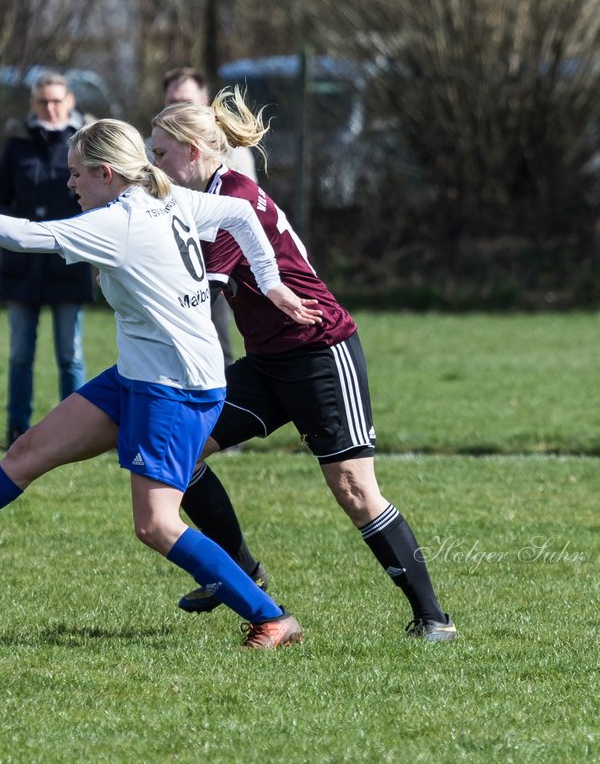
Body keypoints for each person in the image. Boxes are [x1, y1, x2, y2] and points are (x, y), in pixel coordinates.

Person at [0, 118, 323, 649]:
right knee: (24, 455)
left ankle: (271, 617)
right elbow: (243, 214)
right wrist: (270, 284)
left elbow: (25, 235)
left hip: (176, 386)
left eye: (76, 175)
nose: (69, 185)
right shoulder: (170, 198)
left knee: (156, 525)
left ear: (106, 173)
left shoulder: (122, 221)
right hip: (140, 373)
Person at [149, 88, 457, 641]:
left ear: (194, 152)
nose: (155, 166)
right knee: (183, 448)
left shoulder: (234, 197)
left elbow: (201, 288)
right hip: (268, 361)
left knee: (353, 487)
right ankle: (241, 573)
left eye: (162, 154)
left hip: (319, 350)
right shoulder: (204, 198)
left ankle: (433, 617)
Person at [0, 71, 95, 447]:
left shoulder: (85, 144)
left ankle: (77, 432)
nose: (50, 108)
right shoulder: (17, 147)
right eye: (42, 101)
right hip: (23, 266)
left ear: (70, 102)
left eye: (56, 100)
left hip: (68, 262)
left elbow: (100, 199)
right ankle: (17, 430)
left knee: (70, 354)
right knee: (20, 354)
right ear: (32, 105)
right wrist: (18, 229)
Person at [161, 67, 252, 370]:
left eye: (185, 101)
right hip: (169, 262)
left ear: (204, 100)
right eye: (172, 101)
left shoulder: (229, 149)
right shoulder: (159, 148)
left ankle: (220, 409)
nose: (178, 108)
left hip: (214, 263)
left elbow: (243, 211)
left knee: (214, 343)